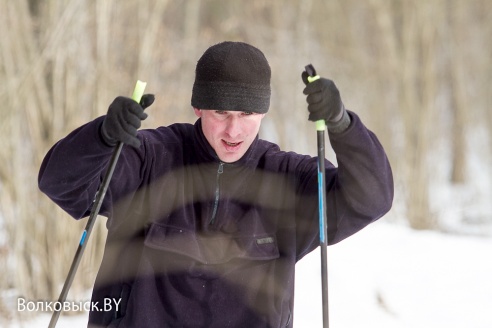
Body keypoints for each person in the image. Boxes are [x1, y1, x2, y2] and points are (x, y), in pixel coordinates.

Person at [39, 41, 393, 328]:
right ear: (198, 107)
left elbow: (372, 199)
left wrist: (342, 125)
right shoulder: (147, 160)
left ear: (264, 113)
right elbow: (59, 182)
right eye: (221, 113)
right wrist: (100, 138)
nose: (233, 131)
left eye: (247, 115)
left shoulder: (288, 181)